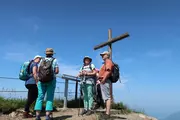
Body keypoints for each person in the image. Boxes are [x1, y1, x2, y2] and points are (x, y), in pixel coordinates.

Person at [34, 48, 59, 120]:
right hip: (51, 81)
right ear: (52, 53)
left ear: (46, 53)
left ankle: (37, 116)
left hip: (41, 81)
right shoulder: (54, 60)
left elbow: (38, 70)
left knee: (40, 97)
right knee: (49, 98)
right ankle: (47, 116)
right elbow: (57, 71)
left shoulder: (42, 60)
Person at [98, 51, 114, 119]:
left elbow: (108, 71)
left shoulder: (108, 61)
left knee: (107, 97)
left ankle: (107, 114)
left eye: (103, 55)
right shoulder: (106, 62)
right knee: (106, 97)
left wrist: (103, 79)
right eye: (102, 55)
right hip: (104, 81)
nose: (102, 56)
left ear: (107, 55)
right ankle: (107, 113)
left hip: (105, 81)